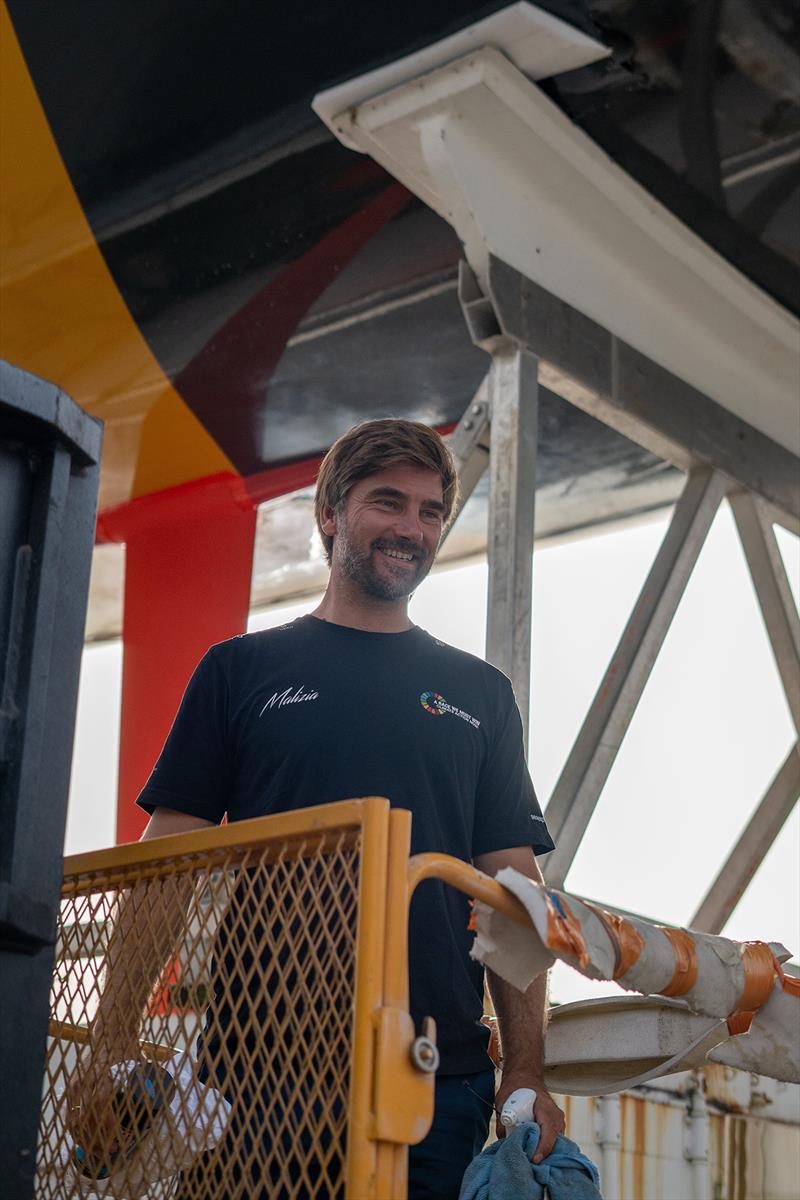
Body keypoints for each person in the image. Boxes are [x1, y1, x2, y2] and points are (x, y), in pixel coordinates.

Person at [78, 419, 565, 1199]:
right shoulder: (241, 671)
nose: (413, 528)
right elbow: (166, 867)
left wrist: (527, 1069)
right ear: (331, 515)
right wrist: (110, 1039)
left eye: (431, 511)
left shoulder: (481, 695)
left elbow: (514, 896)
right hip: (255, 1072)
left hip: (435, 1078)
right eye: (388, 503)